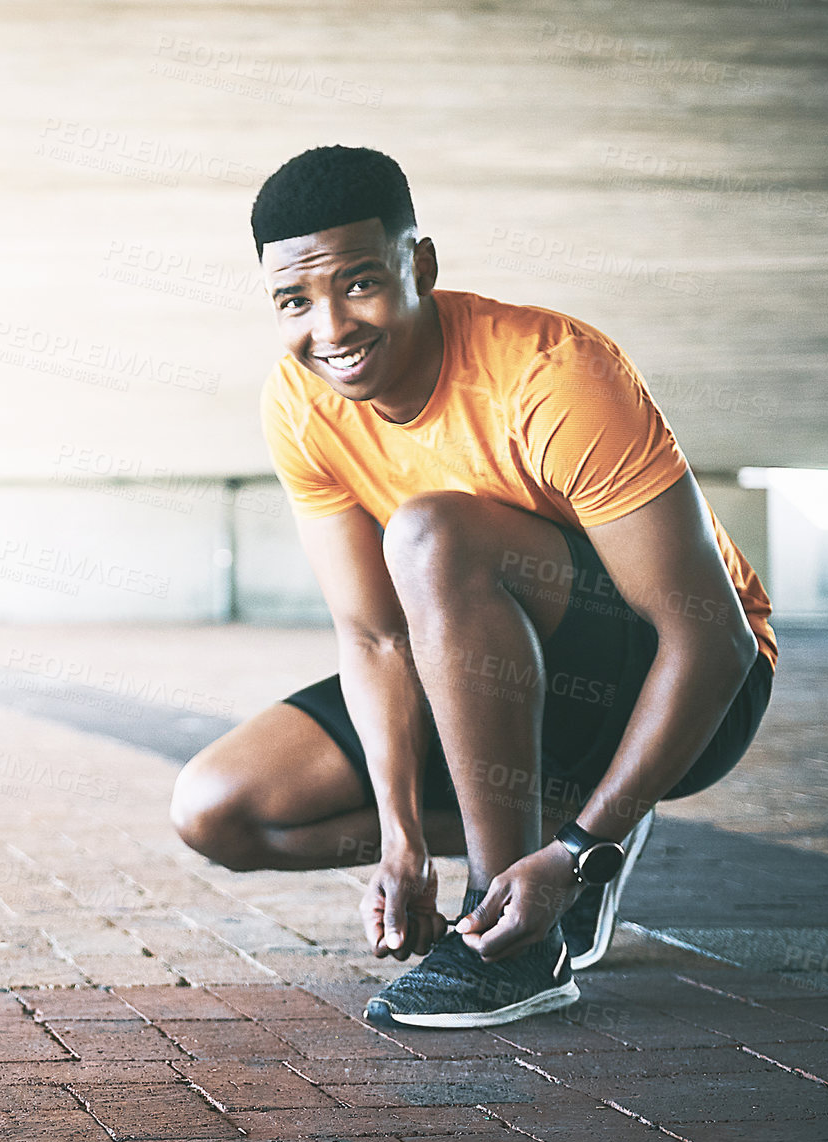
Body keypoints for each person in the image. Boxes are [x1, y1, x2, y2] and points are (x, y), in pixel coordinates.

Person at [169, 145, 776, 1028]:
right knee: (217, 809)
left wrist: (576, 853)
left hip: (687, 682)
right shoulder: (300, 402)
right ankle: (566, 837)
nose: (329, 327)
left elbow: (709, 638)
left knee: (428, 532)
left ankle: (519, 933)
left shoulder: (552, 373)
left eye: (359, 283)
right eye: (294, 301)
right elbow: (377, 639)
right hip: (481, 668)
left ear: (420, 264)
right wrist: (400, 834)